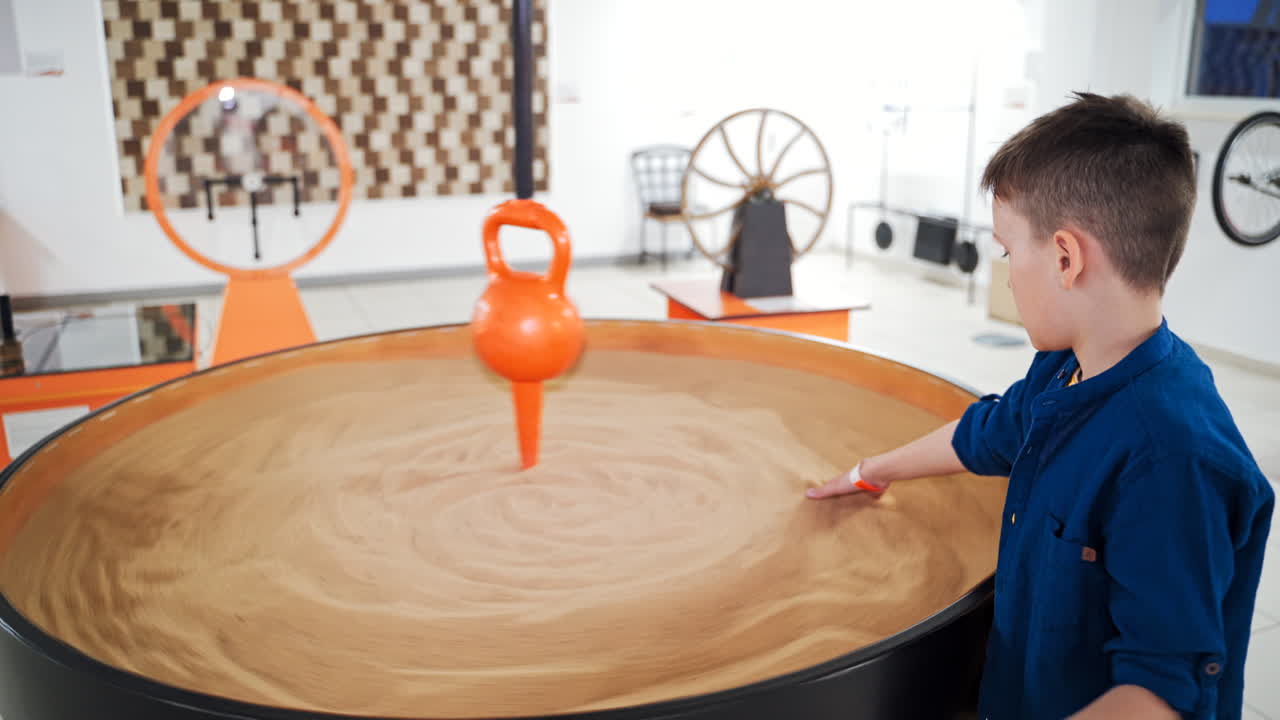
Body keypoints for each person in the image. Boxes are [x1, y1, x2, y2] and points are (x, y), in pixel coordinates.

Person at [807, 92, 1274, 719]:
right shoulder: (1068, 367)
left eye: (1006, 251)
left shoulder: (1170, 459)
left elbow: (1160, 694)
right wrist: (874, 470)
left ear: (1064, 257)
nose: (1005, 271)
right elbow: (990, 432)